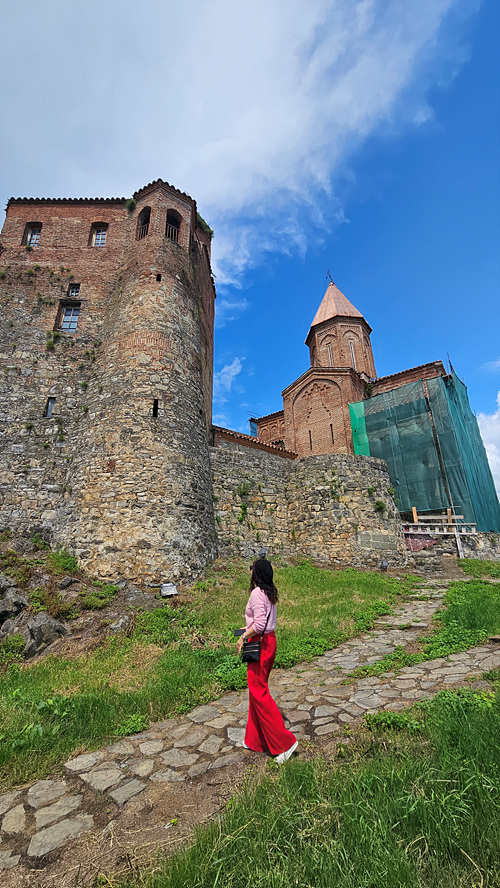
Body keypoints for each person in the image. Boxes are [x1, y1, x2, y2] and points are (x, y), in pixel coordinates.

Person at [236, 558, 298, 764]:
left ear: (256, 572)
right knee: (257, 690)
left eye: (251, 568)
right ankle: (255, 740)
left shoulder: (256, 593)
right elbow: (264, 623)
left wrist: (243, 637)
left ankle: (284, 743)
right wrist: (247, 629)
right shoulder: (268, 592)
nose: (249, 571)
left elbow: (260, 624)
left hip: (260, 644)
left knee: (258, 691)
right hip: (269, 641)